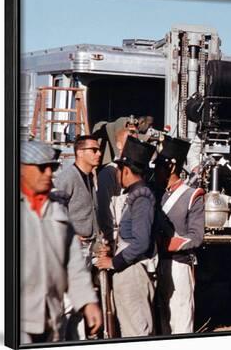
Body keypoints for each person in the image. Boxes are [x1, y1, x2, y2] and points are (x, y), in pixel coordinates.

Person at [20, 140, 102, 344]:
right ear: (22, 169)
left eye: (53, 167)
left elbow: (73, 264)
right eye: (42, 168)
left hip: (50, 317)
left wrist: (87, 301)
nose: (49, 173)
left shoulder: (56, 210)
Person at [95, 137, 157, 337]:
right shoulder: (136, 194)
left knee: (137, 332)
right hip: (129, 270)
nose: (117, 174)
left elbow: (141, 242)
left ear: (127, 171)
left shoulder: (142, 198)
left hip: (133, 271)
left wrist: (114, 262)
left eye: (120, 170)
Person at [154, 136, 205, 334]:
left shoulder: (192, 195)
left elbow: (196, 236)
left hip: (179, 263)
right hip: (159, 263)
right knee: (164, 320)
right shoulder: (159, 194)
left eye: (159, 166)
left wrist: (166, 244)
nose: (156, 171)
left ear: (172, 167)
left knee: (181, 320)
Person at [53, 135, 102, 339]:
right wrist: (69, 234)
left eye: (99, 150)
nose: (99, 154)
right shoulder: (68, 177)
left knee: (82, 300)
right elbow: (55, 207)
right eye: (94, 150)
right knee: (68, 301)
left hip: (88, 248)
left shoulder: (89, 177)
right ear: (80, 152)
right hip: (74, 248)